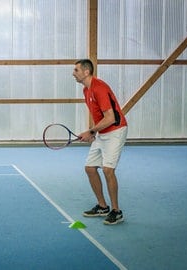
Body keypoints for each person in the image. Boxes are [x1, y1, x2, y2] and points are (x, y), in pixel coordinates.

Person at [72, 59, 128, 225]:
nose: (73, 73)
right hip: (102, 133)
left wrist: (91, 131)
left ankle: (116, 211)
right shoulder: (86, 90)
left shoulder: (99, 88)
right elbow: (99, 115)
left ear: (86, 72)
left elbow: (110, 118)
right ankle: (103, 206)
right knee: (90, 168)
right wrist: (93, 132)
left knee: (107, 170)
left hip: (116, 131)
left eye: (76, 70)